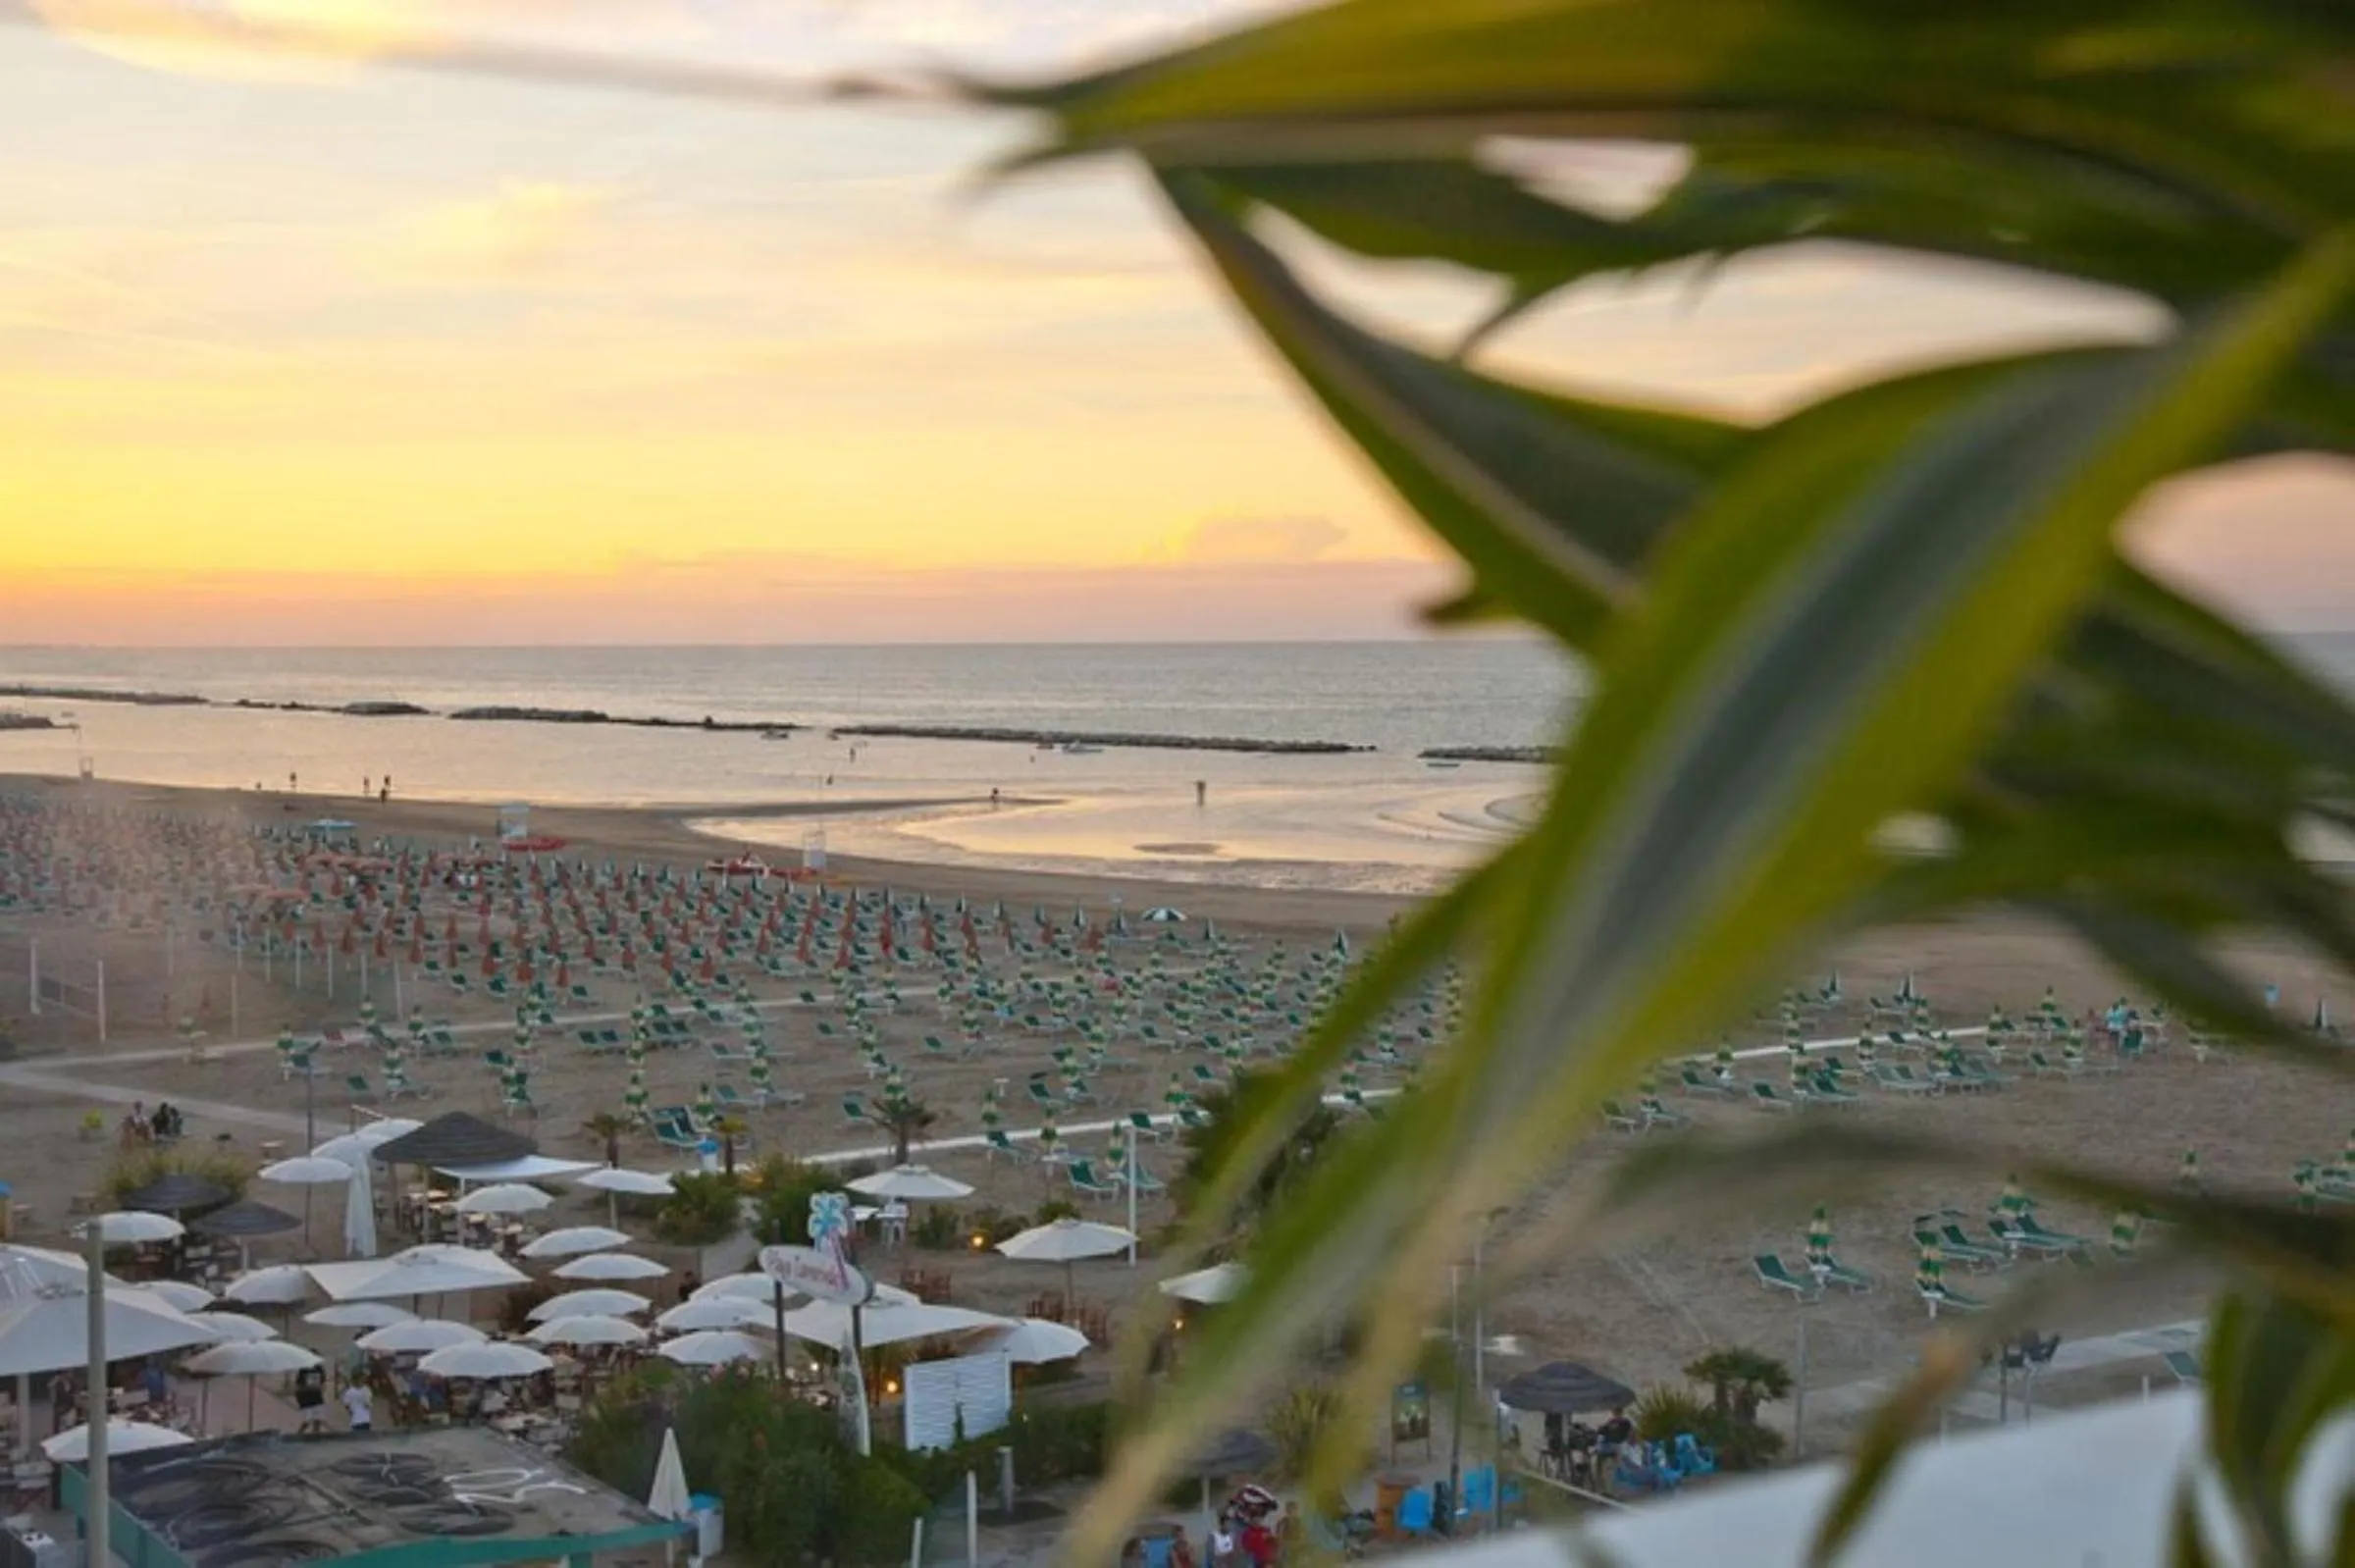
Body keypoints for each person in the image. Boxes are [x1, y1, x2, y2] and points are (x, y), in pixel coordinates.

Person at [293, 1366, 327, 1434]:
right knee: (307, 1420)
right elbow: (298, 1385)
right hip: (306, 1399)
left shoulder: (319, 1368)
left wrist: (320, 1387)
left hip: (317, 1398)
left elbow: (322, 1383)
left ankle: (316, 1435)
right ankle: (299, 1434)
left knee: (318, 1419)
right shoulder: (304, 1369)